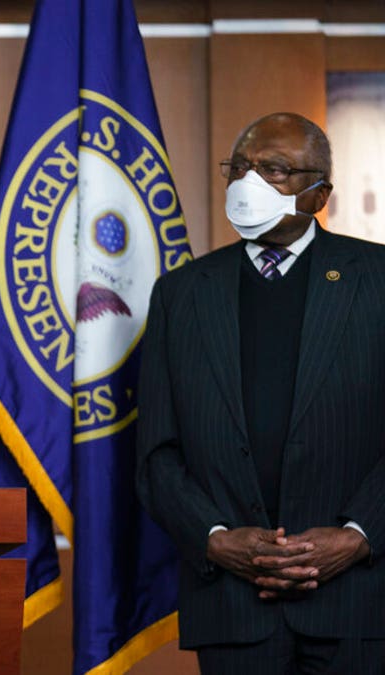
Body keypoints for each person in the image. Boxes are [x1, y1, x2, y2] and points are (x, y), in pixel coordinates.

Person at [137, 112, 385, 674]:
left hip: (360, 603)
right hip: (231, 605)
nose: (250, 181)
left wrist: (356, 536)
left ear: (319, 193)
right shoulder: (181, 294)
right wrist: (216, 539)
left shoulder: (377, 279)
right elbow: (157, 452)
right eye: (240, 167)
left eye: (274, 168)